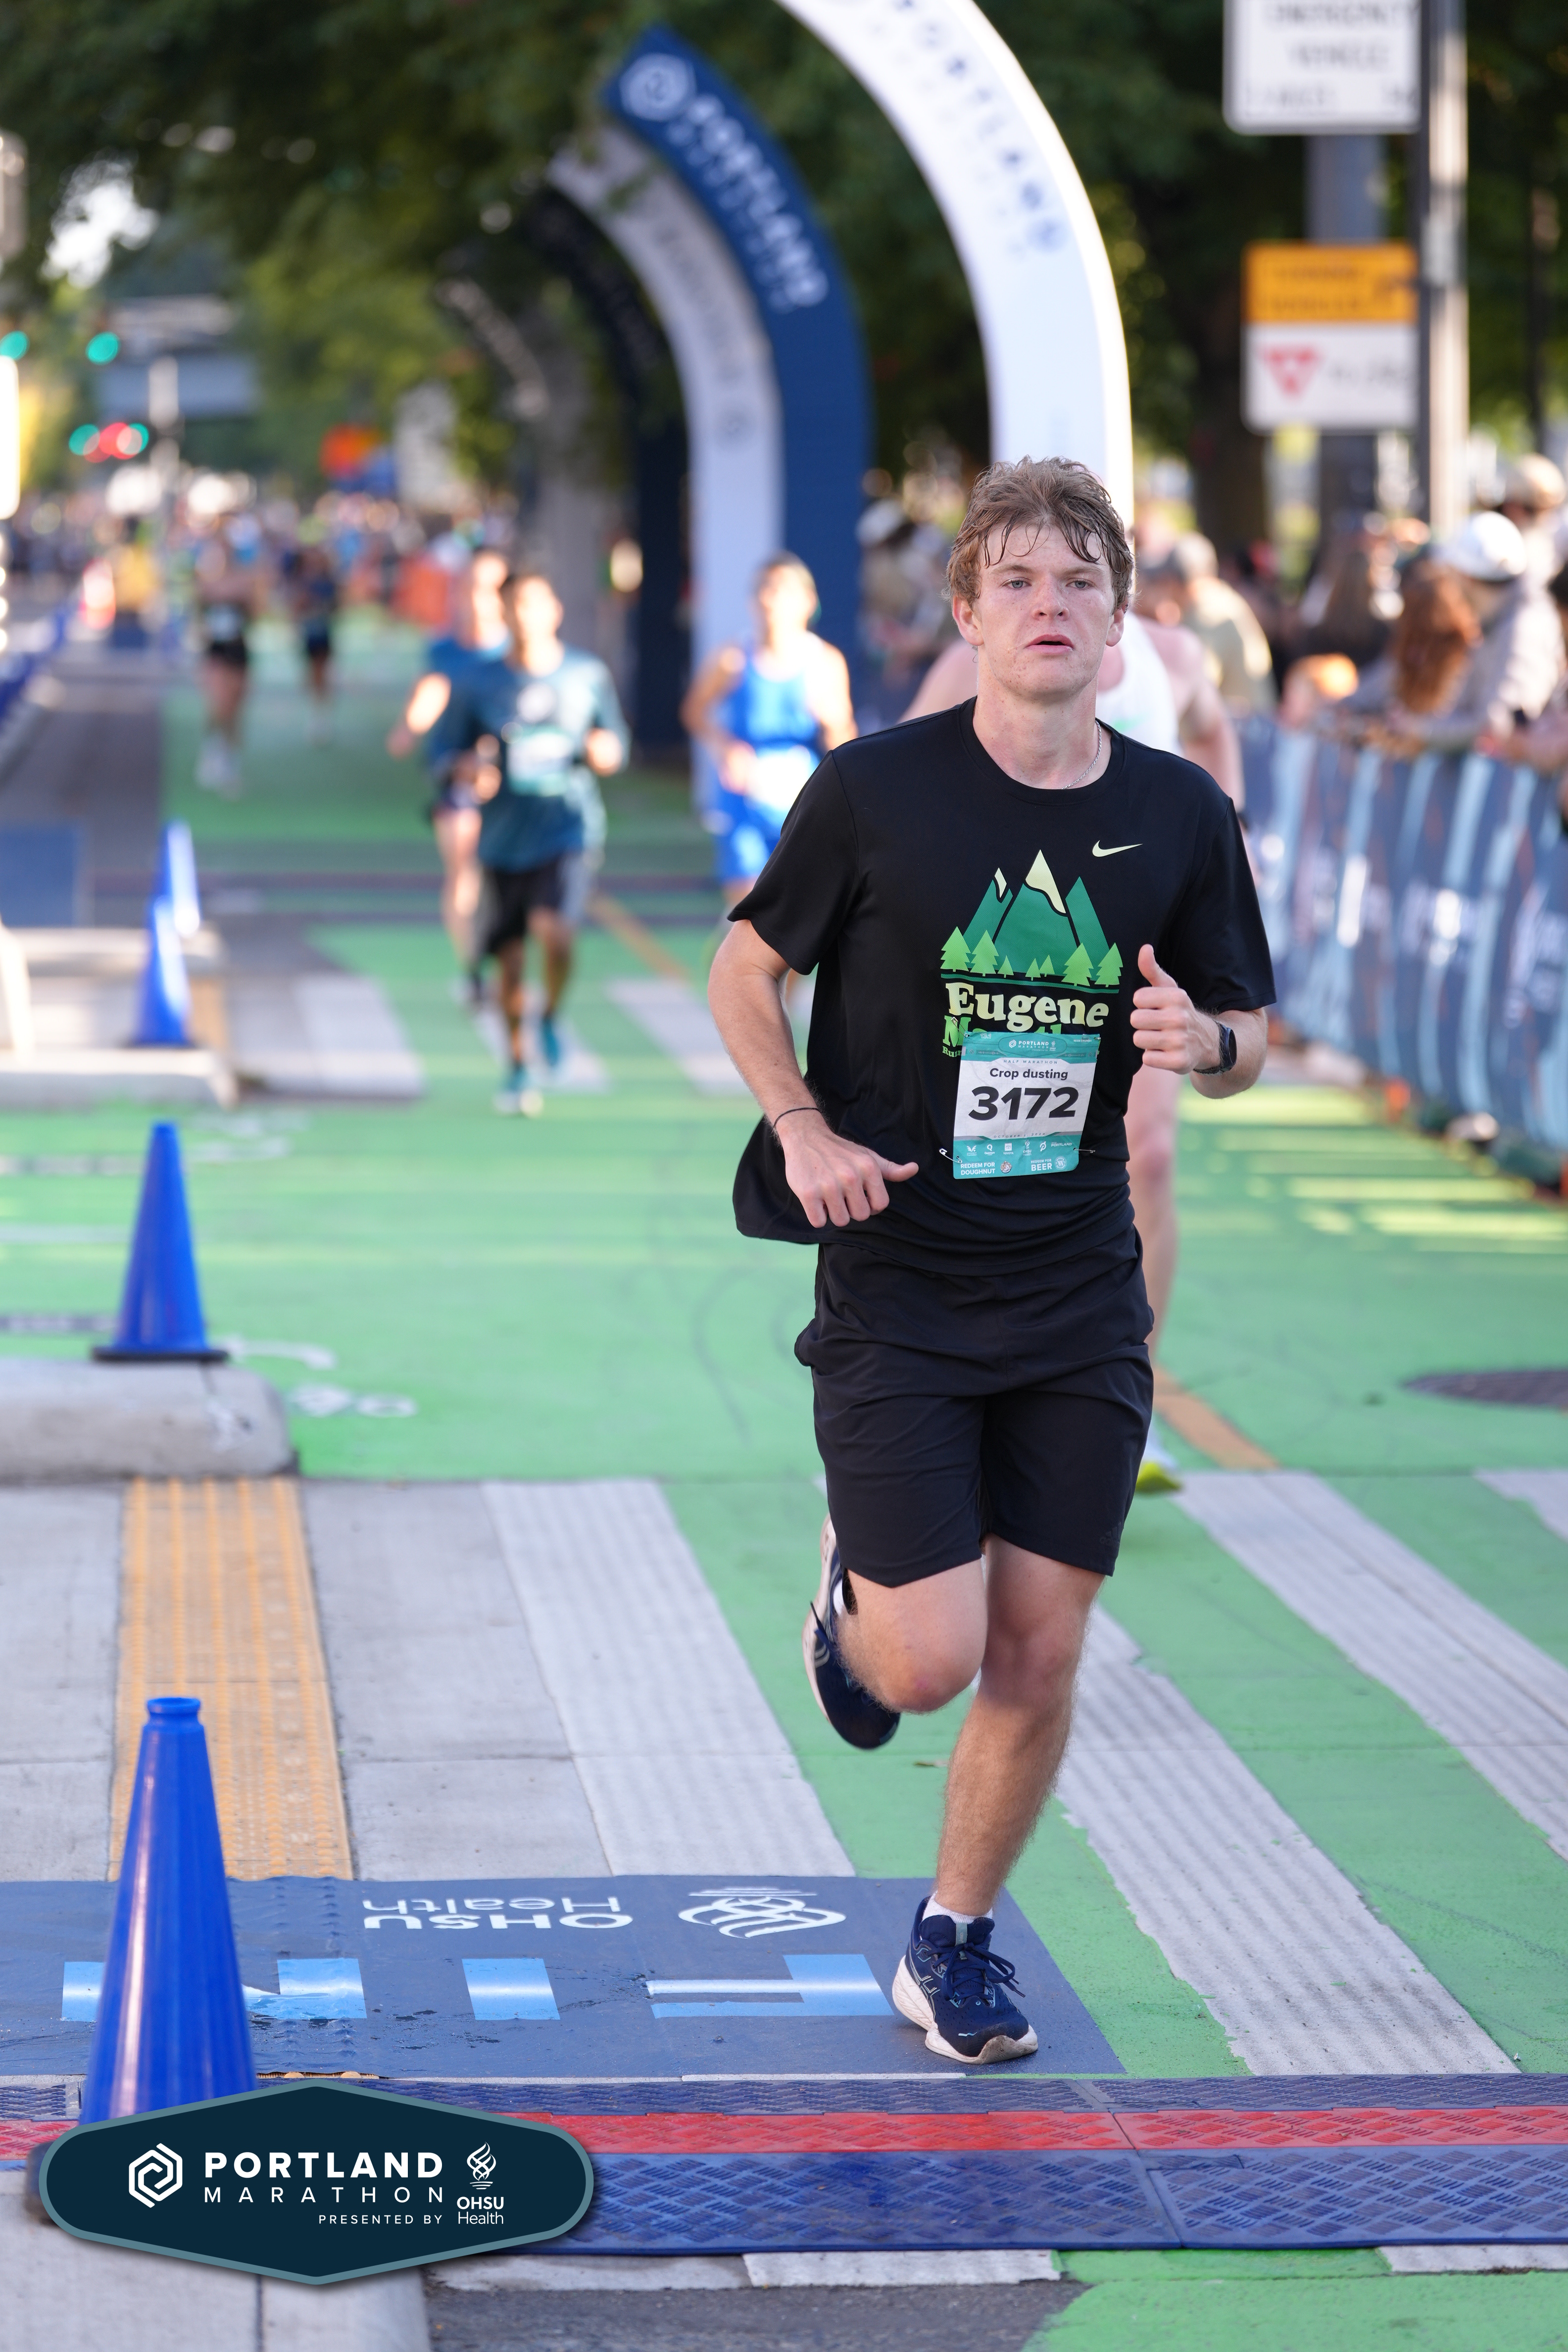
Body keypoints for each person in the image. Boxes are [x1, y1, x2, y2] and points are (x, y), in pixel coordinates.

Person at [708, 458, 1273, 2064]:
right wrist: (800, 1126)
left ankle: (950, 1937)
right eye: (1015, 580)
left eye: (1079, 582)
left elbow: (1246, 1025)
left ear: (1120, 623)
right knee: (926, 1663)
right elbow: (744, 969)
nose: (1048, 606)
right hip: (897, 1275)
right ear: (965, 614)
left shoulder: (1178, 813)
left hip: (1078, 1289)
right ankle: (853, 1597)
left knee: (1039, 1644)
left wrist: (1209, 1044)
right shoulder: (873, 793)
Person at [903, 601, 1243, 1493]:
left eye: (1089, 566)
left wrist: (1226, 838)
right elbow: (900, 784)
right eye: (1028, 574)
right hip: (1020, 960)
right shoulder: (976, 658)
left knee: (1149, 1158)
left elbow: (1214, 734)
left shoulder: (1175, 656)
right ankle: (918, 1416)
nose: (1056, 594)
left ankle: (1133, 1399)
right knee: (990, 1169)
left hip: (1141, 962)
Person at [442, 568, 629, 1114]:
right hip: (503, 838)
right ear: (502, 613)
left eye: (535, 604)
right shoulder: (478, 681)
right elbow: (447, 755)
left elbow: (614, 741)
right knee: (510, 959)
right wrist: (470, 771)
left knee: (556, 931)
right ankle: (518, 1065)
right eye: (515, 606)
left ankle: (550, 1016)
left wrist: (604, 752)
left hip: (568, 828)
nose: (526, 616)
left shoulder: (585, 674)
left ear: (555, 611)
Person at [681, 554, 856, 915]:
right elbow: (694, 711)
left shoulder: (824, 662)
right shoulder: (732, 658)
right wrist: (724, 747)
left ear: (808, 602)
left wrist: (833, 723)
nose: (770, 599)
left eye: (781, 590)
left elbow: (845, 745)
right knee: (747, 905)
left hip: (802, 801)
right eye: (763, 589)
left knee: (797, 909)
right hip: (744, 798)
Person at [389, 548, 512, 991]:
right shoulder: (444, 651)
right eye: (471, 588)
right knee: (463, 866)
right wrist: (409, 727)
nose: (479, 599)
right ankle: (473, 966)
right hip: (456, 777)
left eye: (492, 589)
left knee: (507, 877)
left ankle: (503, 953)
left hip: (513, 782)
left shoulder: (517, 653)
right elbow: (429, 694)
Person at [1383, 513, 1562, 753]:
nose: (1448, 587)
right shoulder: (1498, 619)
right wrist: (1419, 726)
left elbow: (1503, 723)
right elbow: (1470, 708)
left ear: (1466, 577)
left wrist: (1422, 731)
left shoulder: (1524, 625)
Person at [1137, 533, 1277, 715]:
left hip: (1245, 723)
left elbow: (1193, 685)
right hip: (1252, 717)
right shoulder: (1221, 598)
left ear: (1175, 582)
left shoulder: (1207, 615)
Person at [193, 529, 260, 795]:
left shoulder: (245, 581)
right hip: (216, 651)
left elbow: (253, 615)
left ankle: (231, 761)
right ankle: (213, 753)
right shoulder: (206, 582)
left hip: (238, 649)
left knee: (235, 708)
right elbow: (199, 617)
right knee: (219, 704)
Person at [285, 539, 340, 744]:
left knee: (322, 671)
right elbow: (295, 607)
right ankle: (317, 712)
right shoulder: (301, 581)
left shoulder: (327, 582)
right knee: (311, 674)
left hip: (322, 631)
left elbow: (336, 607)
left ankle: (321, 715)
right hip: (308, 632)